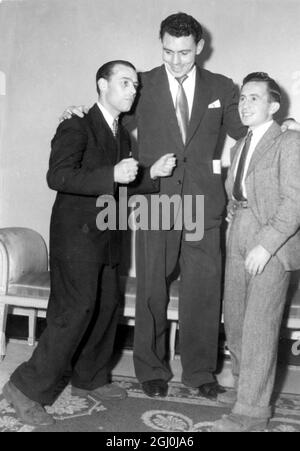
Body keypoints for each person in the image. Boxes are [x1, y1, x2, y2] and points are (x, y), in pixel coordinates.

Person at [58, 13, 299, 400]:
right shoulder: (145, 84)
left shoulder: (222, 87)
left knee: (204, 289)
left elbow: (249, 128)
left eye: (184, 53)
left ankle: (200, 370)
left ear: (199, 48)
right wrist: (79, 115)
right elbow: (111, 116)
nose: (175, 60)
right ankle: (151, 369)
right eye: (168, 51)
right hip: (156, 200)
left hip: (205, 205)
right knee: (152, 286)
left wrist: (285, 123)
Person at [2, 60, 176, 427]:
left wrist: (151, 175)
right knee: (74, 314)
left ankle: (90, 378)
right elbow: (58, 175)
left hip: (108, 235)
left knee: (106, 308)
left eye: (135, 85)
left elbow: (121, 180)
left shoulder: (121, 133)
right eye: (125, 82)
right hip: (77, 238)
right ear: (102, 85)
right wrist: (111, 174)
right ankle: (24, 388)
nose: (133, 90)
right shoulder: (76, 123)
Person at [212, 72, 300, 432]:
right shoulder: (239, 145)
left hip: (272, 245)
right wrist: (234, 218)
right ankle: (243, 389)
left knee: (260, 327)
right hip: (239, 235)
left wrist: (265, 245)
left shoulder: (289, 142)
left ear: (274, 106)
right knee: (234, 321)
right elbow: (240, 195)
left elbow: (295, 202)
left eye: (254, 98)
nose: (245, 104)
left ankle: (251, 414)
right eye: (242, 98)